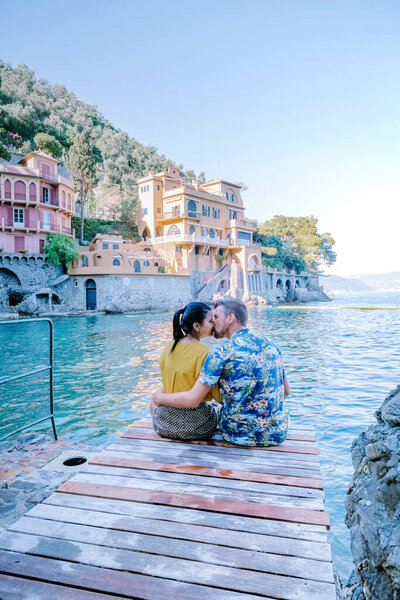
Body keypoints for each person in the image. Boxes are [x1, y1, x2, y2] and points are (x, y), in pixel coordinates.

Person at [153, 298, 290, 447]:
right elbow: (286, 391)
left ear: (230, 318)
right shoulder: (271, 345)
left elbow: (193, 399)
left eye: (216, 317)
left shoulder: (220, 352)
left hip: (237, 435)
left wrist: (159, 397)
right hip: (277, 433)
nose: (213, 323)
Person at [150, 301, 220, 440]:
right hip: (198, 425)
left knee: (152, 404)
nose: (214, 324)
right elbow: (217, 396)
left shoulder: (169, 347)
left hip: (164, 423)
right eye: (210, 321)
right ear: (197, 326)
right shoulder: (207, 353)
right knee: (214, 407)